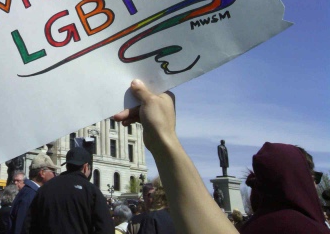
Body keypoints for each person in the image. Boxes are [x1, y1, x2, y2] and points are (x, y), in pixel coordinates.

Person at [112, 79, 328, 234]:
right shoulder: (298, 227)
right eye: (314, 177)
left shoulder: (255, 226)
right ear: (296, 180)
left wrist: (162, 138)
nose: (315, 184)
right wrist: (163, 137)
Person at [25, 147, 112, 234]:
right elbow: (106, 228)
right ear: (86, 167)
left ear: (67, 166)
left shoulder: (45, 189)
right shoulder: (92, 191)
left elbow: (29, 226)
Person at [9, 154, 58, 234]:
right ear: (42, 173)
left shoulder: (29, 192)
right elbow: (21, 227)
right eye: (53, 172)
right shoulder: (31, 195)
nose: (54, 175)